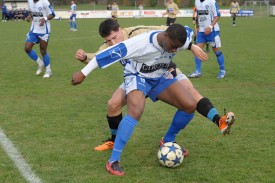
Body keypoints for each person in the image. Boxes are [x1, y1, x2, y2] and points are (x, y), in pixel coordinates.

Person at [72, 23, 234, 176]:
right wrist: (83, 73)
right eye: (172, 47)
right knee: (135, 110)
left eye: (177, 47)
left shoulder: (175, 41)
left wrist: (191, 46)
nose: (174, 50)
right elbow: (105, 55)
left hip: (160, 76)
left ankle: (168, 140)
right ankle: (113, 160)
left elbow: (187, 33)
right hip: (137, 76)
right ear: (164, 37)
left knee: (189, 104)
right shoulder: (140, 42)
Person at [188, 0, 226, 79]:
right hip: (201, 31)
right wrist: (198, 27)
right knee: (197, 50)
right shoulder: (197, 2)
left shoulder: (212, 1)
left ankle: (222, 71)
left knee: (217, 51)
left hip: (213, 31)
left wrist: (210, 27)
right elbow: (198, 14)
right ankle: (197, 71)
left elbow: (217, 16)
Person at [24, 0, 55, 78]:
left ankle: (48, 71)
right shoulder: (30, 1)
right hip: (34, 29)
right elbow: (33, 12)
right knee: (27, 48)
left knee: (43, 51)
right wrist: (29, 17)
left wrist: (44, 19)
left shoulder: (44, 2)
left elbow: (52, 14)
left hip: (44, 30)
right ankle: (41, 64)